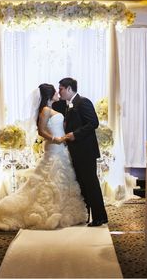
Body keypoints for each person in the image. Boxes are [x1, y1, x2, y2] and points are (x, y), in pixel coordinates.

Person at [0, 83, 87, 231]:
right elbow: (41, 131)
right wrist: (55, 139)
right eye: (56, 92)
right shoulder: (45, 110)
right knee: (48, 177)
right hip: (54, 146)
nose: (58, 93)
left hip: (61, 149)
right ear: (50, 95)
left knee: (60, 178)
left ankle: (61, 209)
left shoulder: (52, 109)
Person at [59, 77, 108, 227]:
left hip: (86, 151)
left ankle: (100, 217)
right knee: (83, 184)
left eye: (61, 88)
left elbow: (94, 122)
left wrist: (75, 134)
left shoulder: (83, 102)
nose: (59, 91)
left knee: (91, 183)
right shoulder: (69, 105)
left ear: (68, 89)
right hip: (77, 151)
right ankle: (86, 215)